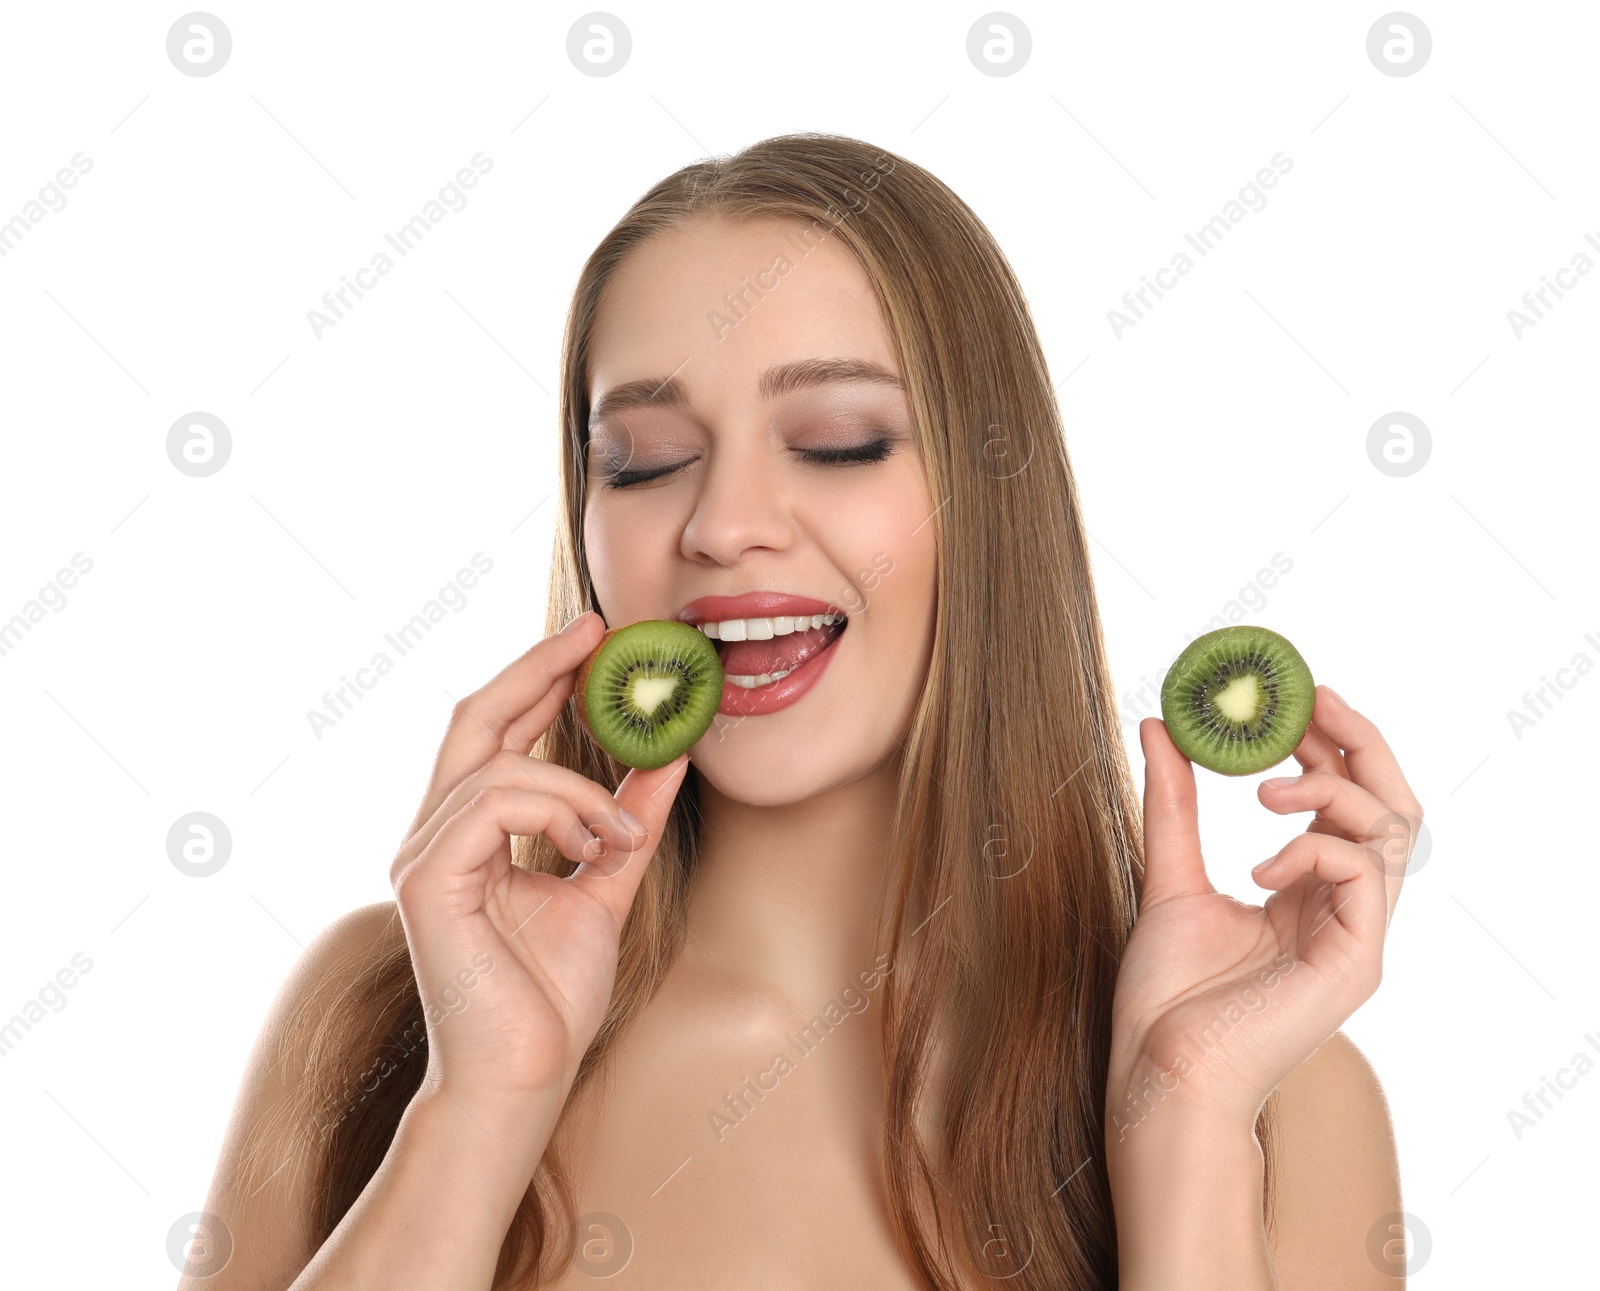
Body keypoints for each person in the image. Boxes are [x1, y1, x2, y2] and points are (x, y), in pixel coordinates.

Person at [184, 133, 1422, 1290]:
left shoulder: (1282, 1100)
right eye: (644, 460)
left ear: (991, 499)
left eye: (836, 442)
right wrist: (478, 1106)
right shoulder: (377, 1020)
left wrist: (1183, 1112)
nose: (722, 523)